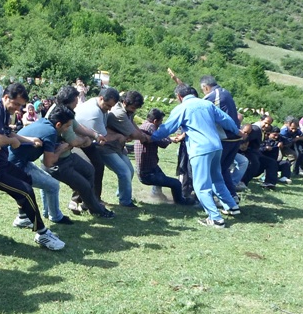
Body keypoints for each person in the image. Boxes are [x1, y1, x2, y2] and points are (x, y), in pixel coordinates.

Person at [0, 83, 65, 250]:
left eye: (20, 105)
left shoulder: (4, 111)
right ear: (6, 97)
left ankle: (23, 217)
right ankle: (42, 233)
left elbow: (8, 133)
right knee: (26, 190)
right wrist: (12, 142)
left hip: (1, 164)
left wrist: (29, 140)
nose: (17, 108)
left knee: (26, 179)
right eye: (15, 104)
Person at [151, 84, 243, 228]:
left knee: (201, 186)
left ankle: (216, 219)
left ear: (179, 97)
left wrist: (152, 136)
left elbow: (168, 128)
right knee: (217, 179)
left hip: (200, 149)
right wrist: (237, 131)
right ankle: (232, 206)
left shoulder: (182, 108)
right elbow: (226, 119)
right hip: (216, 146)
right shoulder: (207, 104)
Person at [45, 86, 113, 219]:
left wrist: (94, 135)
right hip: (58, 162)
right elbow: (74, 141)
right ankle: (97, 210)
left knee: (90, 170)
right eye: (76, 101)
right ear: (69, 101)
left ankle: (89, 204)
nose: (77, 103)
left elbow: (77, 127)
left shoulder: (65, 111)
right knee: (84, 185)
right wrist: (85, 141)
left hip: (67, 156)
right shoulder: (61, 115)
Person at [9, 105, 74, 225]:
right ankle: (56, 217)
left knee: (48, 182)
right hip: (15, 166)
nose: (67, 129)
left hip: (20, 161)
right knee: (53, 185)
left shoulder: (44, 122)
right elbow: (48, 163)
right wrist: (61, 149)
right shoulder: (51, 132)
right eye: (67, 126)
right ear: (58, 124)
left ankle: (47, 212)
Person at [100, 90, 150, 208]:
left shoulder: (127, 110)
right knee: (124, 172)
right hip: (107, 147)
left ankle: (121, 194)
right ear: (124, 102)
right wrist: (144, 137)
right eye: (132, 107)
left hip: (118, 147)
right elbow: (133, 134)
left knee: (129, 171)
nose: (134, 110)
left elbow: (133, 126)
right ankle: (125, 201)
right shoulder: (119, 113)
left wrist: (142, 135)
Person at [135, 108, 191, 205]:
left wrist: (170, 139)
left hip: (147, 169)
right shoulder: (151, 127)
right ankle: (180, 202)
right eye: (161, 122)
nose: (161, 124)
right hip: (148, 173)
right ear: (155, 121)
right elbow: (162, 143)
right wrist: (172, 139)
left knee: (161, 175)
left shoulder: (144, 126)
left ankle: (156, 194)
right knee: (176, 183)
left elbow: (159, 139)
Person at [73, 87, 119, 205]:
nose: (109, 109)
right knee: (88, 168)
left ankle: (94, 199)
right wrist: (119, 137)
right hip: (74, 142)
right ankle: (77, 200)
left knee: (98, 165)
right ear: (101, 98)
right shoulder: (94, 112)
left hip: (85, 141)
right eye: (108, 106)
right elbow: (104, 137)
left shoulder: (97, 103)